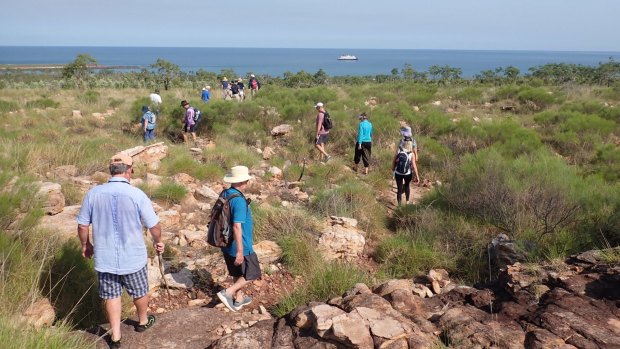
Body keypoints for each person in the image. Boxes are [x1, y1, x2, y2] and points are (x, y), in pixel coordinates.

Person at [77, 153, 163, 349]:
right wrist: (158, 241)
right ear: (129, 170)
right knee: (139, 291)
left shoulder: (94, 193)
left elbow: (82, 225)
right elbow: (154, 225)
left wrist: (85, 245)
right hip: (132, 256)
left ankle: (115, 336)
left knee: (112, 295)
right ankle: (142, 321)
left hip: (105, 257)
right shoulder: (137, 194)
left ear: (111, 171)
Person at [216, 165, 261, 312]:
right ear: (243, 182)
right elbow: (237, 226)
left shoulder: (226, 193)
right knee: (253, 272)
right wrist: (241, 250)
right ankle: (227, 293)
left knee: (237, 272)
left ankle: (239, 298)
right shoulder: (239, 201)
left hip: (226, 242)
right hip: (240, 244)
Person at [393, 139, 419, 205]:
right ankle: (407, 202)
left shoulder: (399, 151)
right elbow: (414, 165)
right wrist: (417, 176)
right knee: (407, 186)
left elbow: (394, 160)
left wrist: (393, 168)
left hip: (398, 172)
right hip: (407, 173)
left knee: (399, 189)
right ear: (410, 145)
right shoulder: (411, 154)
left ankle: (399, 205)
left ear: (404, 144)